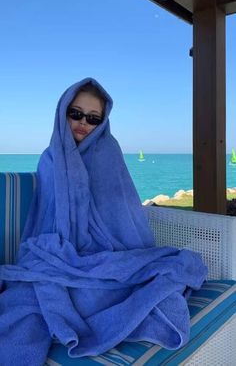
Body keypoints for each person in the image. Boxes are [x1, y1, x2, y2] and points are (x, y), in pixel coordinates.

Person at [0, 78, 207, 366]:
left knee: (98, 295)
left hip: (109, 253)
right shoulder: (49, 160)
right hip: (59, 254)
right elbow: (43, 216)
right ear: (63, 112)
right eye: (76, 113)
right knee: (33, 298)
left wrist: (102, 252)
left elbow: (123, 213)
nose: (83, 123)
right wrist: (65, 253)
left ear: (102, 121)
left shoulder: (109, 154)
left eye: (93, 118)